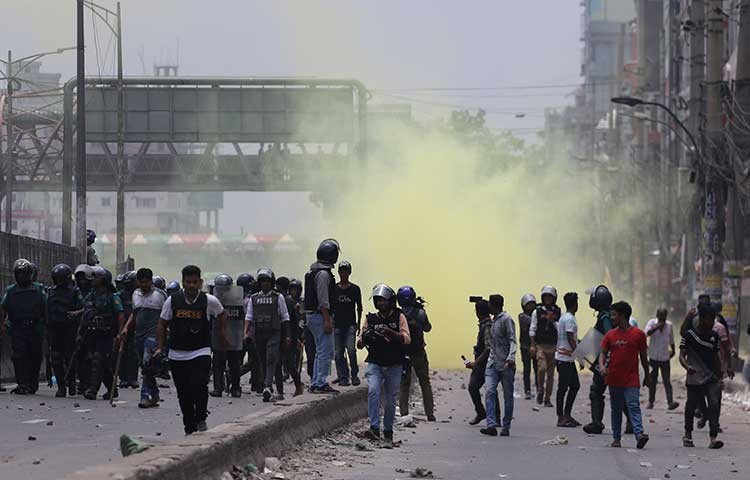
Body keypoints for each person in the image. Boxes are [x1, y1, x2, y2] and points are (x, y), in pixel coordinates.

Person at [155, 265, 225, 435]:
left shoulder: (209, 301)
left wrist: (220, 338)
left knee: (199, 386)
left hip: (200, 351)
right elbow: (162, 323)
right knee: (183, 392)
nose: (192, 285)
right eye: (188, 282)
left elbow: (222, 315)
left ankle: (201, 417)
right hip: (177, 353)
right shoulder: (173, 301)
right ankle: (189, 426)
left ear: (200, 283)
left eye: (195, 282)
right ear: (183, 283)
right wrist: (160, 347)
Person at [357, 284, 411, 446]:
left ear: (391, 301)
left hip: (394, 364)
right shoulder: (370, 318)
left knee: (389, 400)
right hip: (375, 362)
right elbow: (359, 343)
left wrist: (390, 332)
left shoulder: (399, 317)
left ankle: (388, 430)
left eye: (384, 300)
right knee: (373, 391)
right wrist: (366, 336)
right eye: (378, 300)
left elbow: (407, 339)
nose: (381, 303)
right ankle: (374, 427)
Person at [598, 301, 649, 449]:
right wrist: (601, 366)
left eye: (614, 314)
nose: (611, 318)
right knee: (616, 408)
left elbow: (644, 356)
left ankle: (639, 434)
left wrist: (647, 374)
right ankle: (616, 438)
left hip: (632, 378)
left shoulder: (638, 334)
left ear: (622, 315)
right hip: (614, 378)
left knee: (633, 405)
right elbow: (602, 353)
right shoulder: (610, 335)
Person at [118, 268, 167, 408]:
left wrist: (163, 338)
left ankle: (144, 397)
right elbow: (135, 313)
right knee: (146, 367)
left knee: (147, 363)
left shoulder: (160, 295)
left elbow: (166, 317)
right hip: (138, 335)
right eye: (141, 282)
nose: (144, 285)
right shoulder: (136, 294)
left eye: (146, 282)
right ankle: (155, 393)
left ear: (151, 281)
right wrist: (126, 327)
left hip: (153, 335)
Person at [680, 303, 724, 449]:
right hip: (695, 376)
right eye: (710, 319)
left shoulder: (714, 336)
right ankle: (688, 434)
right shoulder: (689, 335)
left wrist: (720, 375)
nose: (712, 323)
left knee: (714, 405)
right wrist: (687, 366)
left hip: (711, 376)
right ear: (702, 319)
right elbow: (682, 356)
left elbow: (716, 356)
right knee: (691, 405)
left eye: (713, 320)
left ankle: (713, 437)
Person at [0, 259, 47, 394]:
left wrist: (46, 326)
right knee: (19, 356)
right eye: (19, 273)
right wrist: (2, 324)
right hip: (17, 328)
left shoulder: (39, 289)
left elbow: (46, 307)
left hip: (35, 328)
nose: (21, 276)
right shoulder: (10, 291)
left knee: (35, 356)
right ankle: (22, 384)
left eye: (24, 273)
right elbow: (3, 308)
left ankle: (32, 383)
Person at [245, 268, 291, 402]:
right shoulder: (254, 298)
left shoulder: (278, 297)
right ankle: (268, 386)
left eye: (267, 281)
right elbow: (249, 316)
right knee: (262, 360)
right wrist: (245, 332)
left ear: (272, 282)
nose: (265, 284)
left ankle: (267, 386)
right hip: (259, 333)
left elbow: (285, 317)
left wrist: (287, 336)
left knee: (271, 357)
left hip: (274, 332)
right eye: (262, 281)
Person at [83, 267, 126, 400]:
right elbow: (85, 308)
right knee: (102, 363)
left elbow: (120, 314)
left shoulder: (113, 296)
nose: (94, 280)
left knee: (98, 360)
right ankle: (112, 388)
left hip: (107, 333)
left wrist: (120, 333)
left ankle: (92, 390)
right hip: (93, 332)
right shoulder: (93, 294)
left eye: (97, 277)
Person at [304, 238, 340, 394]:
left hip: (312, 316)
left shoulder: (313, 272)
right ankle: (321, 383)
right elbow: (323, 299)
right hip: (320, 316)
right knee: (325, 351)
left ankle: (315, 381)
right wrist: (327, 319)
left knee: (319, 351)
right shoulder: (324, 274)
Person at [480, 294, 517, 437]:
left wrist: (511, 358)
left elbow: (513, 340)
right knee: (489, 391)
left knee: (508, 396)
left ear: (494, 305)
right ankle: (491, 425)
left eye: (489, 304)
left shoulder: (507, 320)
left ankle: (506, 427)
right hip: (493, 364)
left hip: (506, 365)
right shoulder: (493, 321)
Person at [398, 286, 435, 421]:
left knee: (404, 384)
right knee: (425, 382)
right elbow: (428, 328)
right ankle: (430, 413)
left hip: (403, 352)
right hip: (418, 351)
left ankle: (403, 412)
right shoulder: (419, 313)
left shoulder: (398, 313)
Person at [47, 264, 84, 397]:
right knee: (55, 358)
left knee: (70, 357)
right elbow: (46, 310)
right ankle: (61, 386)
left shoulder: (74, 292)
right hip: (54, 328)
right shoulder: (50, 292)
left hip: (69, 328)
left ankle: (71, 382)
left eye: (61, 279)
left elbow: (84, 308)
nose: (59, 281)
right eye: (57, 279)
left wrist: (75, 314)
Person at [209, 274, 244, 398]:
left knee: (234, 364)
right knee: (218, 363)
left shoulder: (237, 300)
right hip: (218, 335)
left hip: (233, 336)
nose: (222, 291)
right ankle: (218, 388)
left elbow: (241, 319)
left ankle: (235, 388)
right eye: (219, 288)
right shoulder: (212, 301)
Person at [465, 299, 497, 425]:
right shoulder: (485, 324)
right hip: (483, 363)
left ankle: (487, 414)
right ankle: (487, 414)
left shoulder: (487, 326)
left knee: (480, 388)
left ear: (478, 312)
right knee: (488, 389)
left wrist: (475, 363)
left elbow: (488, 348)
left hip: (485, 364)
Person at [529, 285, 560, 407]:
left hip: (553, 346)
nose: (547, 299)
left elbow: (560, 329)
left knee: (551, 375)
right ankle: (540, 389)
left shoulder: (558, 311)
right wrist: (532, 345)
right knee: (542, 368)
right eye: (545, 296)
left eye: (550, 297)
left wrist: (552, 321)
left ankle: (547, 398)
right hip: (540, 345)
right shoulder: (537, 312)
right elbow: (533, 328)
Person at [333, 261, 363, 387]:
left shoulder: (355, 289)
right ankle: (343, 377)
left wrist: (358, 324)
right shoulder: (334, 289)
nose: (344, 273)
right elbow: (331, 306)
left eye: (346, 271)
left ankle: (354, 374)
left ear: (349, 273)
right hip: (337, 325)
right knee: (339, 353)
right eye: (342, 271)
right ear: (339, 272)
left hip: (351, 324)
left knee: (351, 350)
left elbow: (359, 307)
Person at [644, 307, 679, 410]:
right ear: (657, 316)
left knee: (667, 381)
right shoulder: (651, 323)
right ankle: (651, 402)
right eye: (660, 318)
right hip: (653, 356)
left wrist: (673, 350)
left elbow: (671, 339)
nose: (662, 321)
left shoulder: (669, 325)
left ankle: (670, 402)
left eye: (664, 318)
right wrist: (657, 327)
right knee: (653, 381)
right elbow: (646, 334)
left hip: (664, 357)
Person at [555, 292, 580, 427]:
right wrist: (580, 356)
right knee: (563, 388)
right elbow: (571, 338)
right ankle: (561, 417)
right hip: (564, 359)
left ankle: (567, 414)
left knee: (574, 386)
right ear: (575, 304)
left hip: (566, 359)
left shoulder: (564, 318)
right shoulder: (569, 319)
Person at [118, 271, 140, 390]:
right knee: (123, 352)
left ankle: (133, 378)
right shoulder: (120, 295)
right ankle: (123, 378)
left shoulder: (138, 295)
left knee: (133, 353)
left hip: (136, 328)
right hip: (123, 328)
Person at [518, 294, 538, 400]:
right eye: (528, 304)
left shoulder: (536, 315)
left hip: (535, 345)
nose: (531, 306)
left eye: (532, 304)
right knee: (527, 369)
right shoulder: (522, 316)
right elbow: (530, 323)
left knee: (537, 368)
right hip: (525, 346)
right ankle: (527, 390)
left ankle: (539, 389)